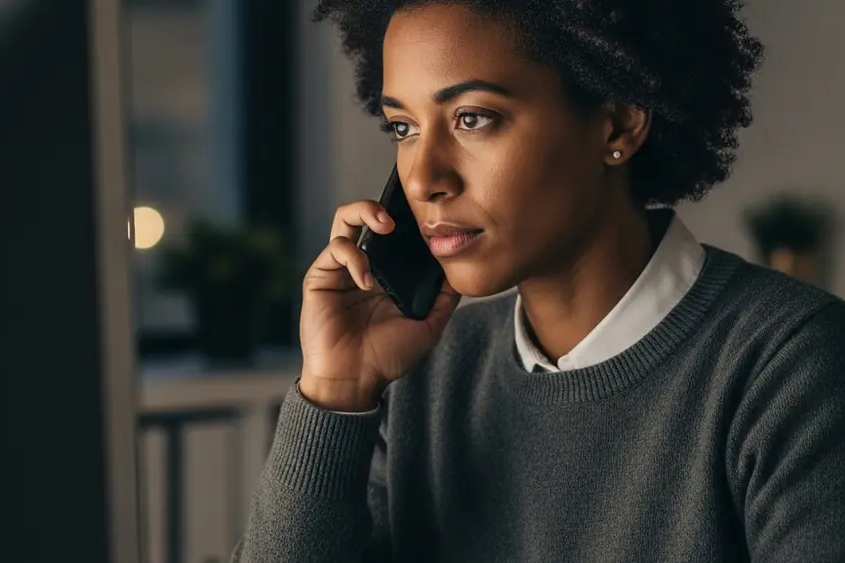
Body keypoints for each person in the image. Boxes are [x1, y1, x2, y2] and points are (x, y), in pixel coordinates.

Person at [233, 0, 845, 561]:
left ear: (617, 125)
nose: (423, 180)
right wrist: (336, 389)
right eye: (404, 128)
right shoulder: (426, 376)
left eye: (473, 119)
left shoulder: (791, 363)